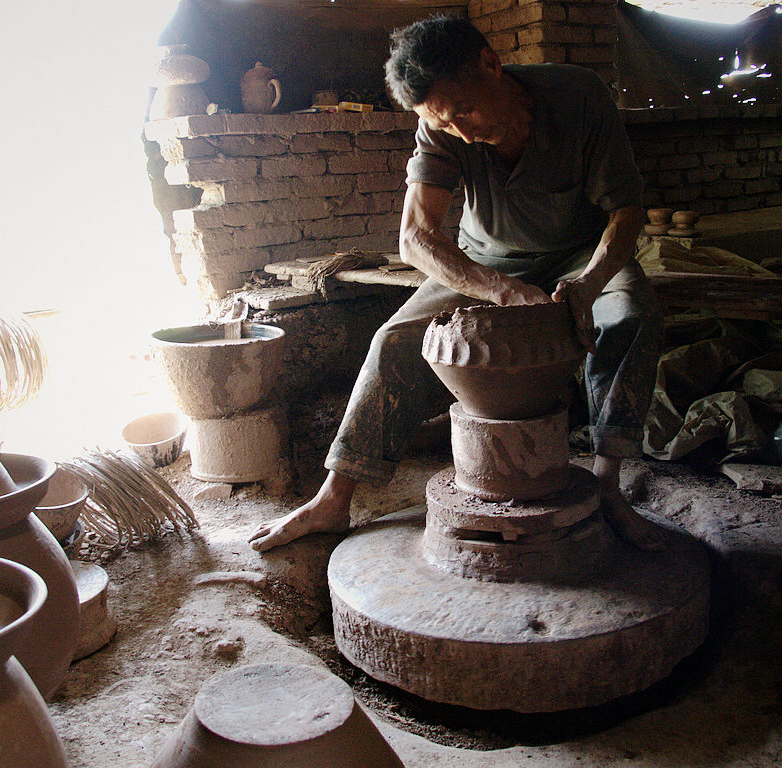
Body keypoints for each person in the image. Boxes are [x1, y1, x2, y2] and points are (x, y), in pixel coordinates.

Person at [249, 15, 666, 553]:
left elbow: (626, 212)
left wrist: (588, 284)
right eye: (445, 123)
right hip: (488, 263)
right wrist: (502, 290)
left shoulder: (578, 95)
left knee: (631, 315)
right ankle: (334, 498)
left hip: (581, 255)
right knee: (394, 340)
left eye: (465, 111)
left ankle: (608, 487)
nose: (462, 133)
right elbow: (414, 239)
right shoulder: (440, 124)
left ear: (492, 64)